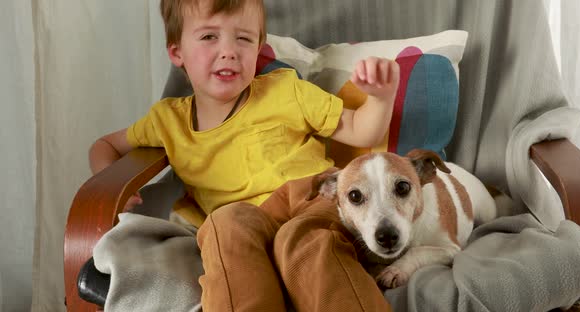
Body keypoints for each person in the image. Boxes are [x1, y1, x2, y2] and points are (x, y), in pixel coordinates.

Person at [89, 0, 400, 310]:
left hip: (309, 202)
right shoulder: (167, 120)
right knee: (224, 226)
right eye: (209, 37)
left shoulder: (285, 91)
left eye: (244, 38)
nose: (229, 51)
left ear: (258, 48)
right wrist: (115, 188)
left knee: (309, 240)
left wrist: (382, 97)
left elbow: (361, 130)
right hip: (243, 225)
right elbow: (105, 146)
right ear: (177, 53)